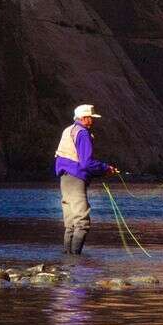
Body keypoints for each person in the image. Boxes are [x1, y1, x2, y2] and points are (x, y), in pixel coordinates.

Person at [54, 104, 116, 255]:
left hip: (64, 178)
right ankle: (75, 259)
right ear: (83, 118)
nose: (93, 121)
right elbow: (86, 163)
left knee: (70, 224)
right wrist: (106, 169)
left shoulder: (68, 130)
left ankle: (67, 261)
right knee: (82, 222)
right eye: (91, 118)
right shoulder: (82, 133)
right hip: (76, 178)